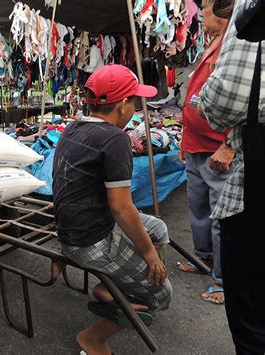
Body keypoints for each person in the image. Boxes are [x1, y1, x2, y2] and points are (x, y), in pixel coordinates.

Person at [53, 64, 172, 355]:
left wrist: (148, 246)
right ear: (122, 106)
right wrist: (148, 254)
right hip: (88, 239)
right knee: (162, 293)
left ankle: (121, 288)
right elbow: (121, 207)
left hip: (75, 226)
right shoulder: (115, 139)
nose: (135, 107)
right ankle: (92, 339)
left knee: (159, 228)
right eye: (134, 101)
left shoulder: (73, 127)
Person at [200, 0, 265, 352]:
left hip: (256, 175)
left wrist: (203, 101)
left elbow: (225, 100)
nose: (201, 13)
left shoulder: (250, 12)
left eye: (207, 7)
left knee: (251, 313)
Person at [177, 0, 234, 305]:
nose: (201, 14)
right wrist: (186, 140)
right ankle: (203, 259)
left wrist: (230, 145)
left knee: (221, 217)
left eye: (207, 8)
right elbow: (193, 97)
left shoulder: (236, 45)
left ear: (223, 13)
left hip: (217, 148)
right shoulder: (213, 42)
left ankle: (225, 279)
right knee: (198, 206)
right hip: (198, 144)